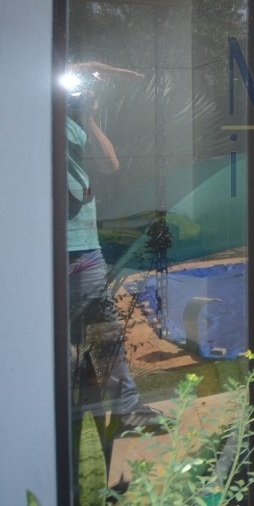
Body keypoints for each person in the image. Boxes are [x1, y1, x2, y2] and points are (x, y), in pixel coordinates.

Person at [66, 61, 159, 432]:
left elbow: (109, 164)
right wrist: (91, 68)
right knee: (65, 339)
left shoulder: (76, 125)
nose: (91, 96)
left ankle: (125, 410)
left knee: (104, 331)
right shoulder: (38, 118)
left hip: (84, 247)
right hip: (53, 248)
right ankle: (69, 414)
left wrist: (87, 118)